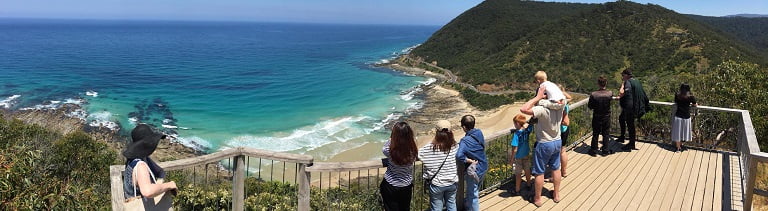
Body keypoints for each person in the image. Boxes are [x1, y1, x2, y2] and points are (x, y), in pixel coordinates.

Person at [520, 87, 563, 207]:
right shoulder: (560, 106)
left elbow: (523, 109)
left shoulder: (541, 109)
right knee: (556, 169)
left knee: (539, 173)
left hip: (544, 143)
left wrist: (537, 97)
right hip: (557, 141)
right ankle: (556, 195)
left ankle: (538, 199)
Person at [123, 124, 178, 201]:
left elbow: (160, 172)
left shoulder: (134, 159)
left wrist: (157, 187)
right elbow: (147, 192)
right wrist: (169, 185)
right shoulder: (141, 165)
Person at [418, 120, 459, 211]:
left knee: (436, 208)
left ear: (436, 132)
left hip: (437, 184)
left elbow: (418, 154)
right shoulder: (455, 146)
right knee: (452, 205)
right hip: (452, 181)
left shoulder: (430, 148)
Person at [381, 122, 418, 211]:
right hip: (406, 185)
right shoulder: (413, 151)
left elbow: (383, 148)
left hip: (391, 184)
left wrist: (392, 138)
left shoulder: (390, 151)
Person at [456, 115, 488, 211]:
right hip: (483, 165)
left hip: (474, 170)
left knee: (472, 194)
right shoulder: (479, 132)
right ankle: (469, 207)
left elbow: (459, 155)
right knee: (475, 191)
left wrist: (467, 160)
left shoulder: (464, 141)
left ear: (464, 127)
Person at [617, 69, 649, 151]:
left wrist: (622, 85)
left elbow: (621, 93)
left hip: (630, 108)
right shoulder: (637, 81)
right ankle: (622, 137)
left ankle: (631, 144)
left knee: (630, 126)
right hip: (636, 106)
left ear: (627, 75)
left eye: (623, 75)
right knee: (621, 118)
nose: (622, 77)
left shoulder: (627, 82)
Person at [588, 76, 614, 156]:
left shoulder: (593, 94)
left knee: (595, 133)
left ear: (598, 84)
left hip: (597, 116)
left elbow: (590, 106)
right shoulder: (610, 93)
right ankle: (605, 150)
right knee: (606, 133)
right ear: (606, 83)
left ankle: (593, 150)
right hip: (606, 116)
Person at [509, 114, 533, 195]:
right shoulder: (527, 130)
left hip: (518, 156)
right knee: (527, 169)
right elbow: (530, 125)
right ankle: (529, 184)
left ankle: (517, 189)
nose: (514, 125)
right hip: (526, 153)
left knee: (518, 173)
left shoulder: (516, 134)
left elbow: (515, 149)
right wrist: (526, 123)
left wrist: (511, 159)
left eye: (514, 123)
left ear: (517, 124)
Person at [672, 83, 698, 152]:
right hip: (686, 116)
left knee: (678, 132)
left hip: (678, 116)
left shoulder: (677, 95)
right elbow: (695, 104)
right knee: (685, 132)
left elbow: (675, 102)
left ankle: (678, 148)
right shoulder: (690, 97)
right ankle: (681, 145)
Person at [558, 84, 572, 177]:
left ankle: (554, 174)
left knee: (555, 153)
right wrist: (562, 92)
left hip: (558, 130)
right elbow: (570, 98)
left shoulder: (558, 104)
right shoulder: (565, 102)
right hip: (565, 130)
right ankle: (564, 171)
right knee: (563, 151)